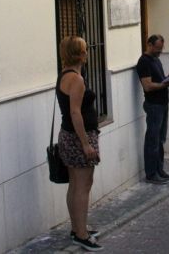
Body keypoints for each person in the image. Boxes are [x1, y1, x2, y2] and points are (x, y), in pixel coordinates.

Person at [56, 36, 103, 251]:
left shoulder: (64, 75)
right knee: (83, 186)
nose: (87, 52)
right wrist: (86, 143)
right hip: (77, 138)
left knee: (75, 185)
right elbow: (75, 112)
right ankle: (82, 235)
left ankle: (77, 227)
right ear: (80, 54)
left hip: (68, 136)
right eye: (85, 49)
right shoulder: (76, 79)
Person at [137, 34, 169, 185]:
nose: (159, 52)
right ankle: (151, 173)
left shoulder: (156, 59)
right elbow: (148, 86)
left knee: (160, 139)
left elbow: (159, 80)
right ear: (149, 45)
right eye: (157, 49)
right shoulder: (144, 62)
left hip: (163, 103)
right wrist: (166, 85)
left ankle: (159, 170)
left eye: (161, 49)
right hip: (154, 105)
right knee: (152, 140)